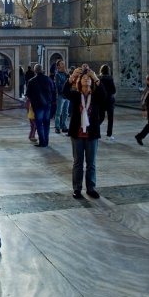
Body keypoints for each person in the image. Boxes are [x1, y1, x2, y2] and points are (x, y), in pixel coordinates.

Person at [63, 66, 106, 199]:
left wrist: (95, 77)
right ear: (79, 81)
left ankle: (91, 188)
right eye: (84, 78)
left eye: (88, 78)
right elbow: (65, 92)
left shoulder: (95, 96)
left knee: (91, 163)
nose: (86, 79)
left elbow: (105, 94)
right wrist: (71, 77)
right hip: (77, 134)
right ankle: (77, 188)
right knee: (78, 162)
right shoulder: (76, 96)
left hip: (91, 134)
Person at [25, 64, 53, 147]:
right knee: (46, 123)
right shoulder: (48, 79)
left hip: (37, 105)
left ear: (35, 71)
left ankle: (42, 142)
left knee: (39, 123)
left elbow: (28, 94)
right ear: (42, 70)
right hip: (47, 104)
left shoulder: (32, 81)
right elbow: (53, 90)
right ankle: (46, 141)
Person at [98, 64, 116, 141]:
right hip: (109, 100)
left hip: (101, 100)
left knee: (100, 118)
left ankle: (95, 131)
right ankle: (109, 135)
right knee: (110, 119)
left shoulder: (98, 78)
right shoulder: (110, 78)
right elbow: (113, 90)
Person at [54, 60, 69, 133]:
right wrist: (65, 88)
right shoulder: (57, 75)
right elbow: (58, 86)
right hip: (61, 95)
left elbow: (71, 82)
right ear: (58, 66)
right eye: (62, 64)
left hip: (67, 96)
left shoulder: (66, 74)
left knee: (65, 112)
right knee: (58, 112)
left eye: (64, 63)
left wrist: (67, 74)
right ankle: (57, 127)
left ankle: (64, 126)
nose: (64, 65)